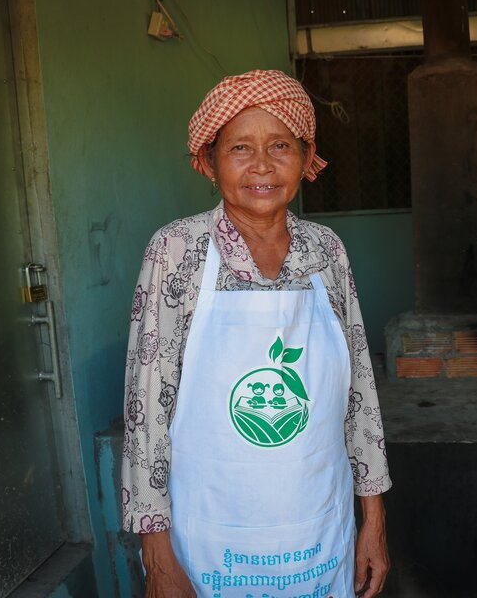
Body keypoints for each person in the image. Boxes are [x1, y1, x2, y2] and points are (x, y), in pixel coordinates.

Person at [122, 69, 391, 598]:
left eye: (281, 146)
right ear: (209, 160)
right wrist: (156, 556)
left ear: (306, 155)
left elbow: (359, 392)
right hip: (208, 540)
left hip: (318, 530)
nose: (262, 166)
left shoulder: (326, 250)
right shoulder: (178, 249)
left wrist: (374, 523)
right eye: (240, 147)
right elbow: (145, 408)